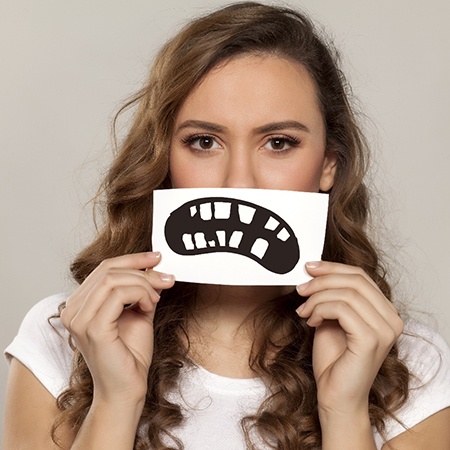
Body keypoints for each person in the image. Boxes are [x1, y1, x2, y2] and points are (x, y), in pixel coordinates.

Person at [3, 2, 450, 449]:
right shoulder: (65, 334)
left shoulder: (411, 362)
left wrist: (344, 412)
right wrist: (116, 400)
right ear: (164, 159)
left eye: (278, 143)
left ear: (328, 165)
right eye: (204, 142)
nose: (239, 181)